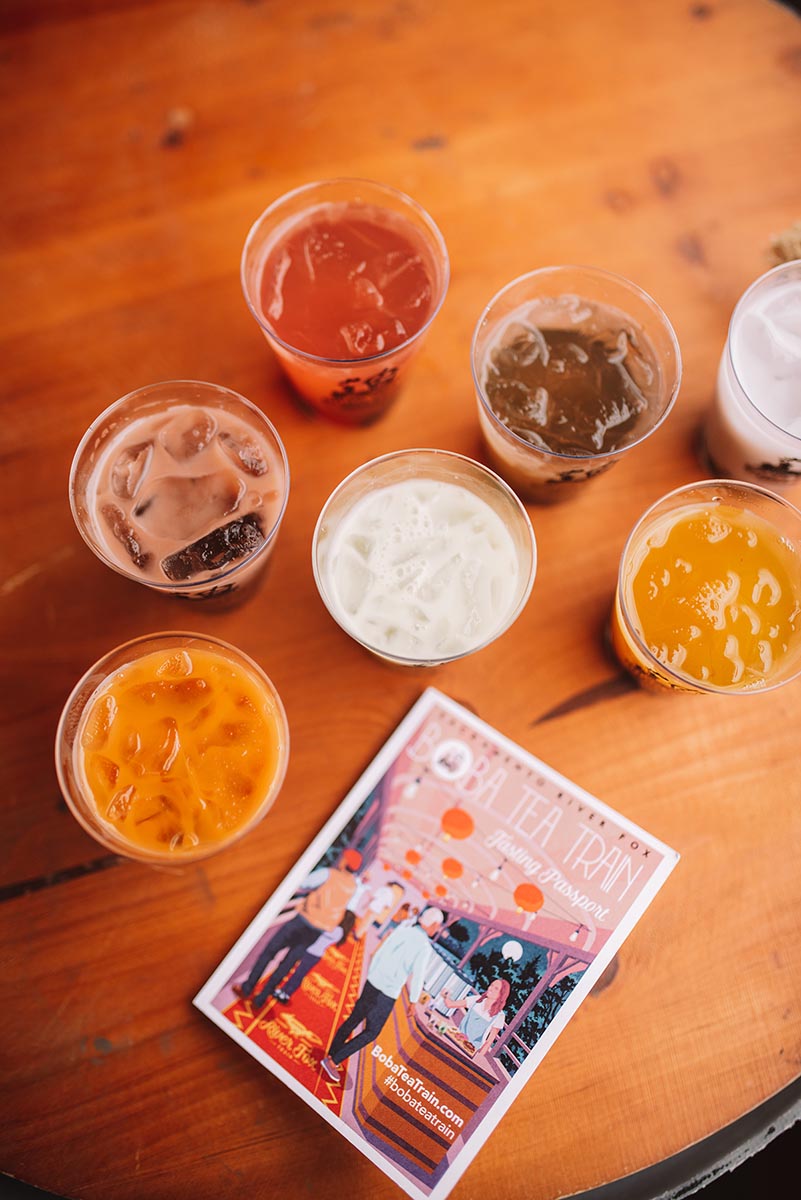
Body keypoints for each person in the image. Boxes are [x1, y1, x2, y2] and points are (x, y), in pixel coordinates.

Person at [319, 906, 444, 1081]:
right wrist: (414, 1001)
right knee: (372, 1032)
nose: (437, 930)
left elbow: (382, 950)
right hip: (387, 991)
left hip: (373, 981)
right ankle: (334, 1061)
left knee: (354, 1018)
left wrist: (371, 974)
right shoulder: (424, 947)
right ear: (434, 924)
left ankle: (332, 1053)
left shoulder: (403, 929)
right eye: (438, 926)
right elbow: (418, 976)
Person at [233, 851, 362, 1008]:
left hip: (303, 920)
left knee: (270, 951)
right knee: (288, 962)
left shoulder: (328, 874)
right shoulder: (353, 887)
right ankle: (262, 998)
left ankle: (248, 987)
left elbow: (303, 883)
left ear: (344, 861)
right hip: (318, 929)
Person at [270, 910, 355, 1003]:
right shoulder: (339, 931)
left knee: (298, 973)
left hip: (312, 952)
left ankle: (285, 993)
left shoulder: (338, 931)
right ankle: (283, 990)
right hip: (313, 951)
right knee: (295, 970)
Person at [439, 977, 510, 1051]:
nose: (491, 988)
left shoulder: (499, 1016)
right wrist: (445, 996)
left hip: (471, 1050)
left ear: (501, 995)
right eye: (491, 985)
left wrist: (477, 1057)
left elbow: (489, 1042)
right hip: (456, 1039)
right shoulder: (476, 1000)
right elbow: (450, 1004)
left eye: (496, 988)